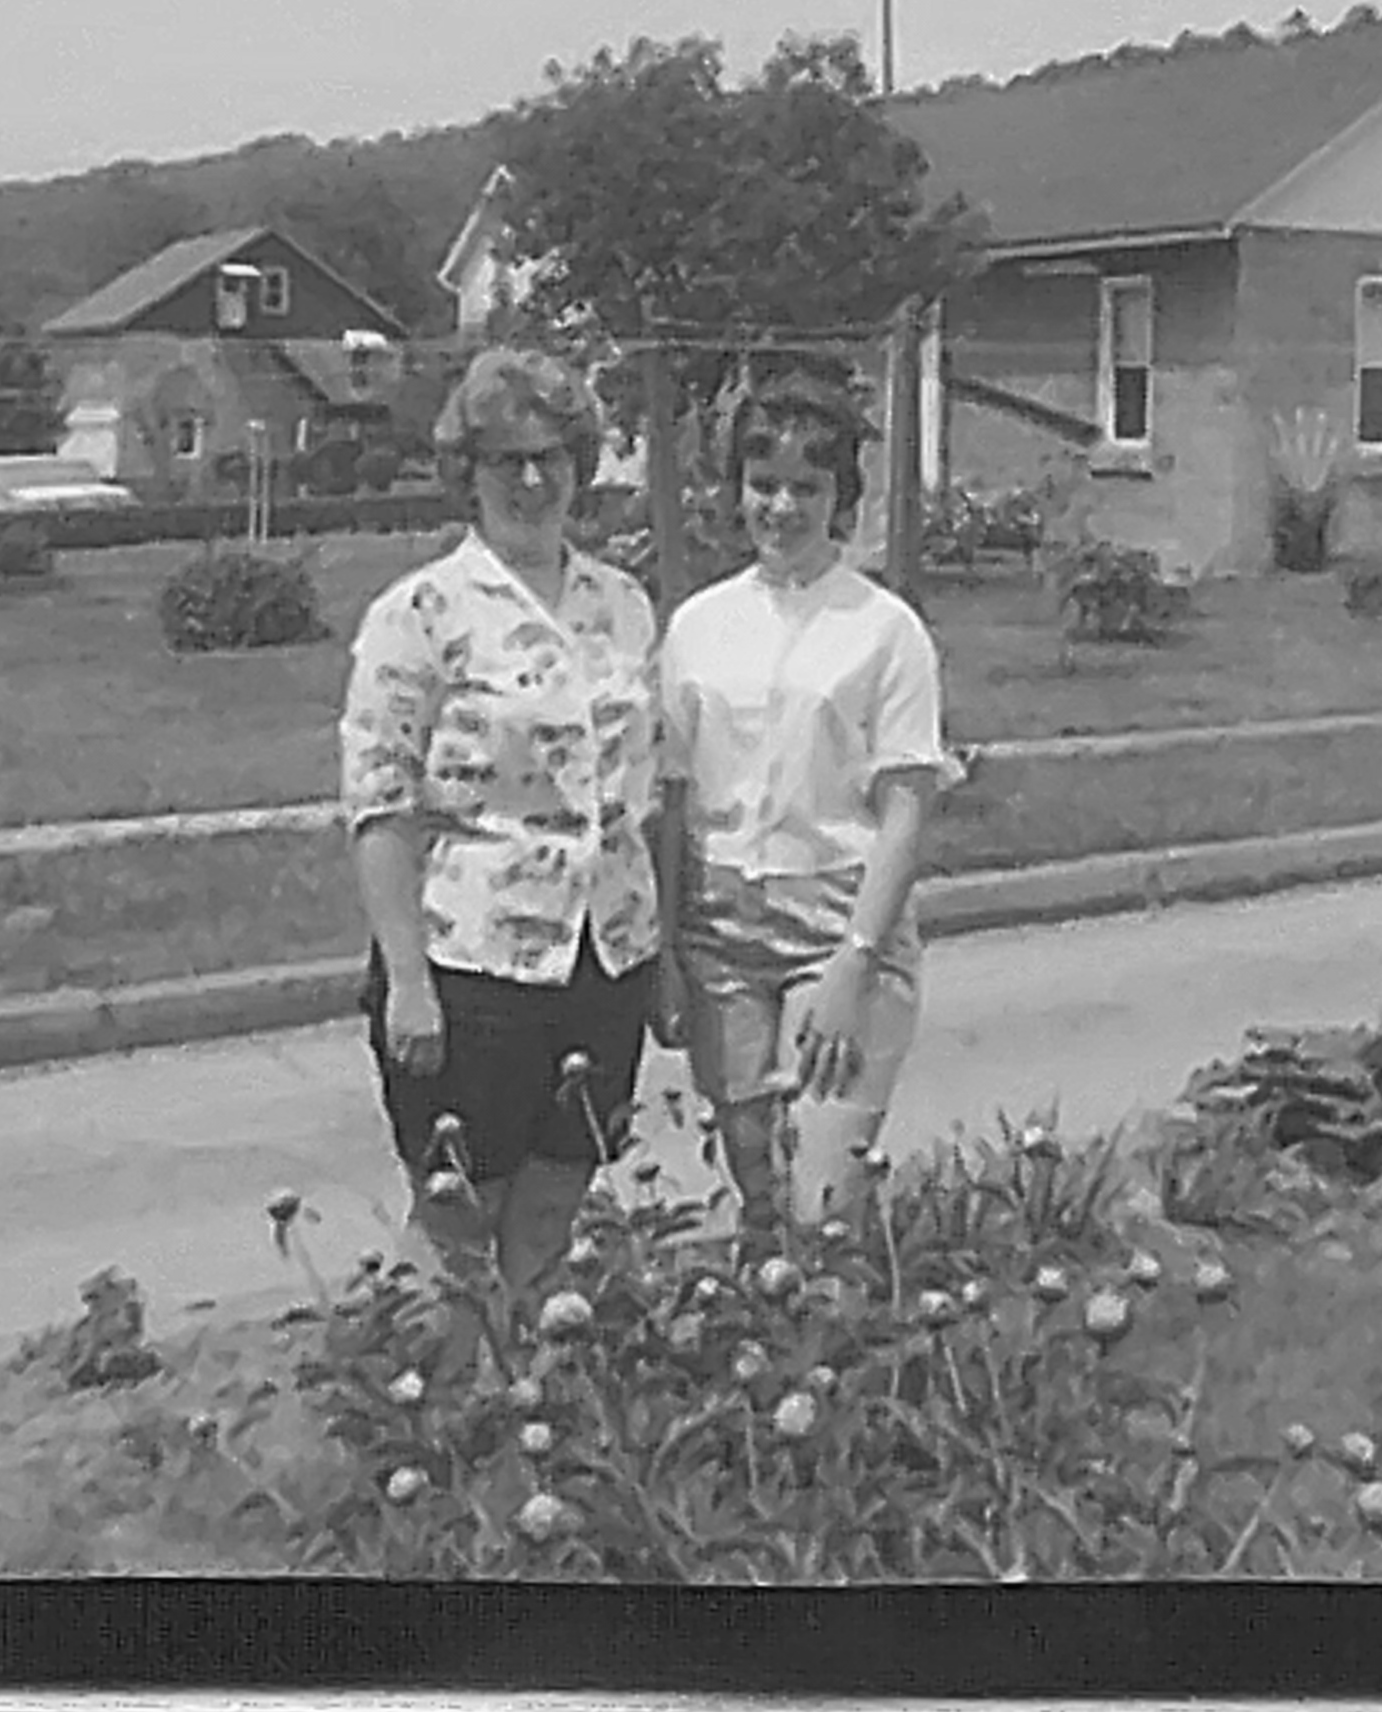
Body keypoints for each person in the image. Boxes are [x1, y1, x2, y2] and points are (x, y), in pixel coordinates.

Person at [338, 346, 663, 1309]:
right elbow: (380, 804)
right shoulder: (421, 613)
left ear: (581, 464)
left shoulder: (623, 605)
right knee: (454, 1230)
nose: (531, 479)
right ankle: (433, 1433)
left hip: (605, 960)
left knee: (555, 1211)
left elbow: (649, 794)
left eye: (550, 455)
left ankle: (534, 1417)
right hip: (470, 971)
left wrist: (666, 963)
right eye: (505, 460)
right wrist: (406, 983)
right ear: (466, 474)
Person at [655, 364, 958, 1234]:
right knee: (757, 1188)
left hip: (841, 922)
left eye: (806, 488)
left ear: (842, 498)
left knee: (822, 1200)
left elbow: (907, 804)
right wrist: (670, 948)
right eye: (764, 485)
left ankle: (854, 1351)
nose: (781, 508)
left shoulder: (884, 630)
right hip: (722, 931)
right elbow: (673, 797)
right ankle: (768, 1361)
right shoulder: (699, 626)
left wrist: (853, 963)